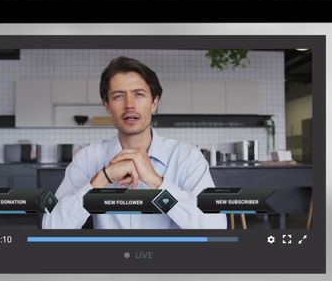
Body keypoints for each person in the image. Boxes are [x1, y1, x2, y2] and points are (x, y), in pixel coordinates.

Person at [42, 56, 226, 230]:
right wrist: (102, 178)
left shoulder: (187, 157)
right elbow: (50, 226)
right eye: (118, 96)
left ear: (154, 102)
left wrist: (156, 182)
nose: (129, 104)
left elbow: (215, 226)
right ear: (106, 105)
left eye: (139, 94)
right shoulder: (88, 158)